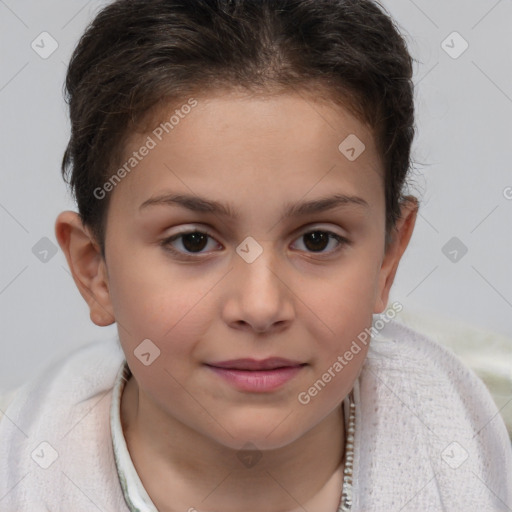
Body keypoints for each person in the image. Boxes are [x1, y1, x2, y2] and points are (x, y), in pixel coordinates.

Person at [1, 0, 511, 510]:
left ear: (387, 258)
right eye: (193, 241)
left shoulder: (490, 441)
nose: (261, 306)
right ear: (96, 272)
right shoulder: (24, 474)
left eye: (317, 239)